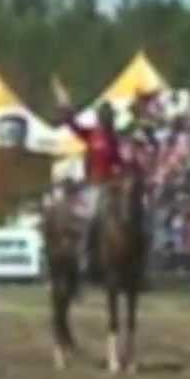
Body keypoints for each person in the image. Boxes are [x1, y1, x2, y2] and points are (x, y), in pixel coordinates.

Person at [53, 78, 127, 282]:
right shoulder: (92, 134)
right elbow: (73, 126)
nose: (105, 119)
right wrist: (65, 107)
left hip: (110, 186)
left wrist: (119, 177)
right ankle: (85, 257)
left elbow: (120, 162)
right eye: (103, 115)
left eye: (108, 116)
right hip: (93, 185)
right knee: (91, 217)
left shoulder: (115, 138)